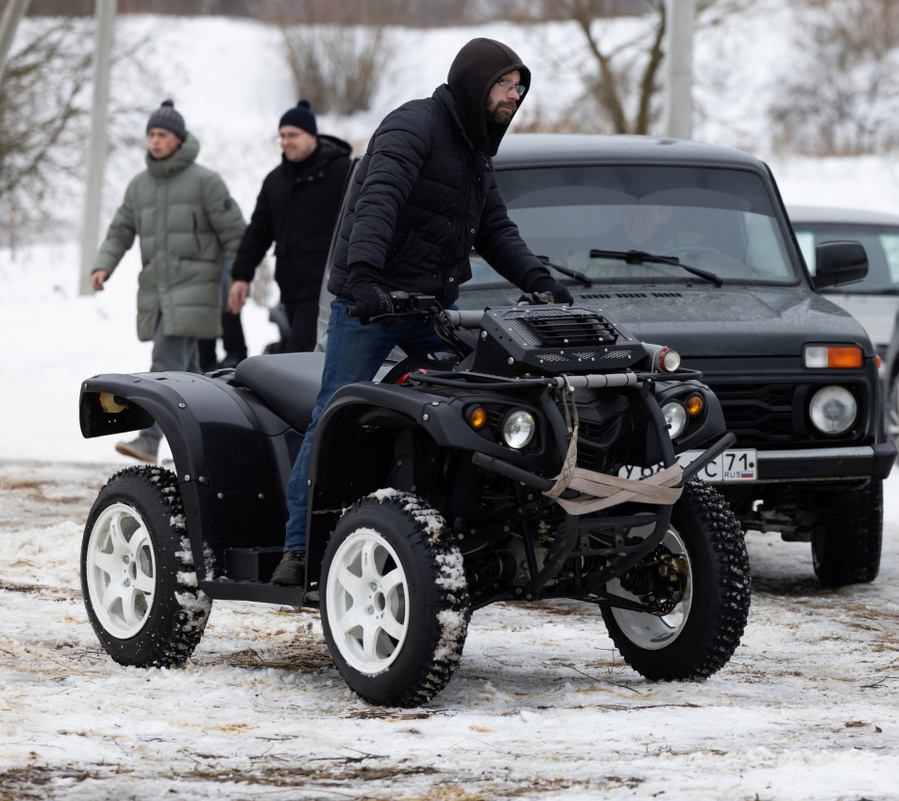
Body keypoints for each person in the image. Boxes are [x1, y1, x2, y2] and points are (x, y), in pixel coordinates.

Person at [270, 38, 574, 586]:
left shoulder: (477, 151)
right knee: (334, 411)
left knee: (468, 404)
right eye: (505, 84)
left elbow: (495, 229)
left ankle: (455, 528)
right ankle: (297, 548)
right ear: (475, 84)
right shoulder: (413, 127)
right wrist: (362, 278)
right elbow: (378, 200)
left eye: (520, 87)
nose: (515, 95)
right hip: (371, 306)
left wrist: (538, 279)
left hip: (429, 308)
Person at [91, 99, 246, 464]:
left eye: (162, 134)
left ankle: (149, 438)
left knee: (164, 363)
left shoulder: (205, 182)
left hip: (195, 289)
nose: (155, 141)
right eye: (151, 135)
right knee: (189, 375)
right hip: (157, 292)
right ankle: (211, 439)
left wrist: (240, 279)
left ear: (178, 139)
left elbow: (236, 234)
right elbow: (119, 232)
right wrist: (103, 265)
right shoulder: (138, 187)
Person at [226, 100, 353, 354]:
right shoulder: (275, 181)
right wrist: (241, 276)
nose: (285, 141)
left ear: (312, 135)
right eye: (282, 135)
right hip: (290, 291)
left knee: (301, 355)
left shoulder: (342, 173)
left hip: (329, 289)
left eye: (292, 135)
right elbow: (258, 233)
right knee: (298, 355)